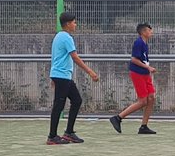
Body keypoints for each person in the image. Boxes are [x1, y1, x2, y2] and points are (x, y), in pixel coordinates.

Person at [47, 12, 99, 145]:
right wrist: (90, 72)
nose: (76, 25)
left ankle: (69, 132)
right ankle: (52, 136)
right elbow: (75, 57)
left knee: (76, 100)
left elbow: (55, 57)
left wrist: (52, 76)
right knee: (58, 106)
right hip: (62, 76)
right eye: (74, 22)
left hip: (62, 76)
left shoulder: (58, 36)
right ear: (68, 24)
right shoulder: (66, 38)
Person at [109, 22, 159, 135]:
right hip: (138, 74)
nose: (151, 32)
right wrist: (148, 67)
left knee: (151, 98)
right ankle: (118, 118)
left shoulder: (145, 43)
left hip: (145, 74)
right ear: (143, 32)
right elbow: (134, 59)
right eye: (149, 30)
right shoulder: (138, 43)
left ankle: (144, 126)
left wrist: (148, 69)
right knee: (143, 101)